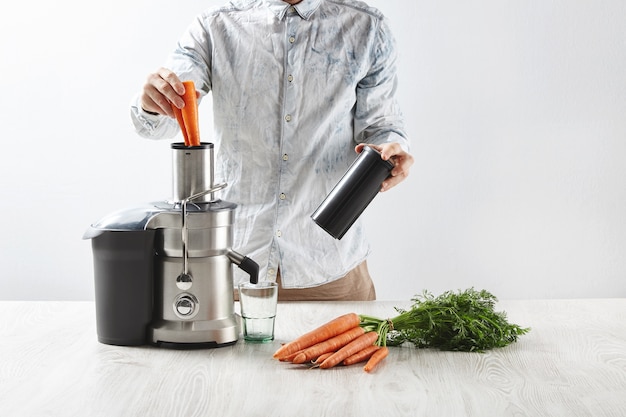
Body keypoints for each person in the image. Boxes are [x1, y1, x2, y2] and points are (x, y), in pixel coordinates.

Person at [130, 0, 413, 301]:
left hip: (330, 266)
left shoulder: (367, 27)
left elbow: (381, 126)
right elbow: (162, 122)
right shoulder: (214, 27)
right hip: (233, 264)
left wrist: (392, 150)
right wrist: (151, 103)